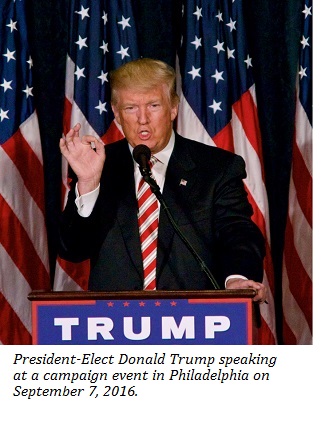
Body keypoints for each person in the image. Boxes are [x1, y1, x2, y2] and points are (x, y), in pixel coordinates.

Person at [58, 58, 267, 303]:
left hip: (193, 321)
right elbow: (72, 249)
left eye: (154, 105)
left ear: (173, 108)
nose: (142, 119)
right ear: (116, 112)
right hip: (113, 323)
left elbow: (237, 232)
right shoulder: (98, 165)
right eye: (131, 108)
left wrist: (237, 279)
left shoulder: (216, 168)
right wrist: (89, 184)